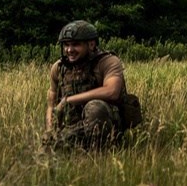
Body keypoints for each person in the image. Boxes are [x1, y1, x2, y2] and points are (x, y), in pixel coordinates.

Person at [43, 20, 133, 149]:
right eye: (66, 45)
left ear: (91, 44)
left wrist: (68, 100)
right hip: (73, 126)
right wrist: (50, 130)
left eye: (75, 45)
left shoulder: (108, 62)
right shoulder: (59, 68)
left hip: (106, 125)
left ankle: (100, 153)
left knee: (95, 107)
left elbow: (112, 91)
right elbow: (51, 105)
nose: (69, 50)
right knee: (50, 146)